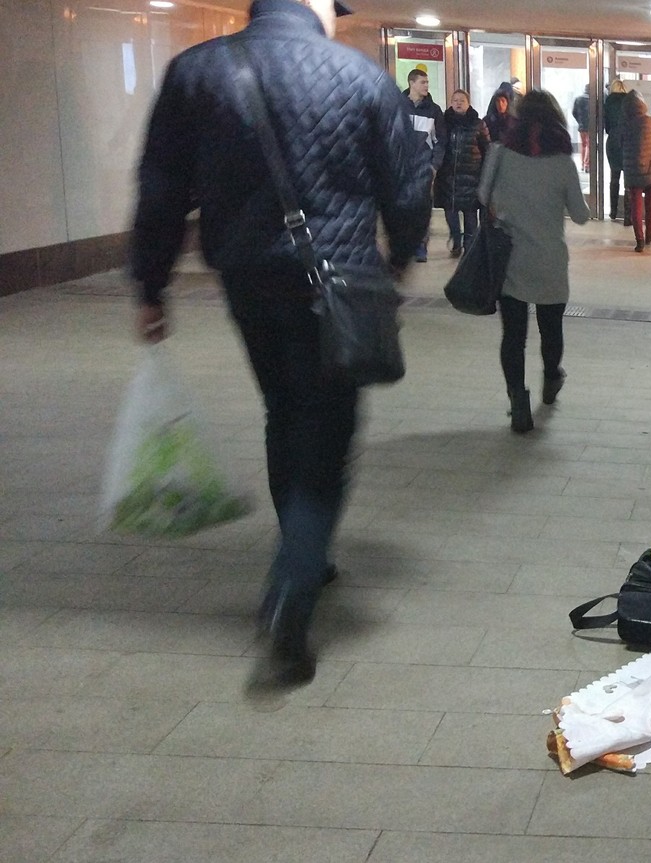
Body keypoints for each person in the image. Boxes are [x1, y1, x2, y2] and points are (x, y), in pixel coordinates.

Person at [129, 0, 432, 689]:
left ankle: (304, 552)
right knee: (328, 426)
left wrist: (150, 285)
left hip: (247, 277)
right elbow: (408, 183)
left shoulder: (195, 72)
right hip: (339, 280)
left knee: (283, 407)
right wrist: (400, 254)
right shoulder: (358, 77)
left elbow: (160, 188)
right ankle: (291, 589)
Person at [479, 90, 590, 432]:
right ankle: (551, 377)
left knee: (513, 336)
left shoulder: (500, 154)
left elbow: (483, 195)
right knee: (550, 329)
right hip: (549, 261)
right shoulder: (562, 163)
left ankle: (517, 399)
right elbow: (581, 215)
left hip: (510, 258)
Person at [436, 88, 491, 258]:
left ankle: (469, 249)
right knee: (450, 213)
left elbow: (487, 149)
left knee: (470, 217)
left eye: (462, 100)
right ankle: (456, 240)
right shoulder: (443, 122)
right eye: (455, 100)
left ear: (469, 104)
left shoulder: (478, 124)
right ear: (450, 103)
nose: (458, 103)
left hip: (471, 178)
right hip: (448, 178)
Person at [403, 67, 445, 261]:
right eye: (423, 82)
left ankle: (421, 246)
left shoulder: (434, 111)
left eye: (427, 82)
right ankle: (404, 246)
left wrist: (434, 165)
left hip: (423, 168)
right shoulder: (398, 106)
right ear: (412, 83)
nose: (426, 86)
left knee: (422, 208)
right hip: (401, 168)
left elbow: (440, 141)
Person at [620, 91, 651, 253]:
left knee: (636, 204)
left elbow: (621, 143)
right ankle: (649, 233)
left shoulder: (624, 123)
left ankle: (639, 240)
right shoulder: (649, 121)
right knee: (650, 203)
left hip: (633, 169)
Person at [601, 78, 631, 222]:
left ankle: (613, 211)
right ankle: (627, 216)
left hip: (612, 141)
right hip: (627, 141)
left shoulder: (608, 101)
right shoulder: (629, 101)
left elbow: (606, 125)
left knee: (614, 177)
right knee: (628, 180)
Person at [571, 85, 593, 171]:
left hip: (581, 126)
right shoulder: (592, 100)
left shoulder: (578, 99)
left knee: (583, 145)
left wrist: (579, 121)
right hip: (590, 126)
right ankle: (587, 165)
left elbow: (574, 112)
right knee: (589, 145)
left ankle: (582, 164)